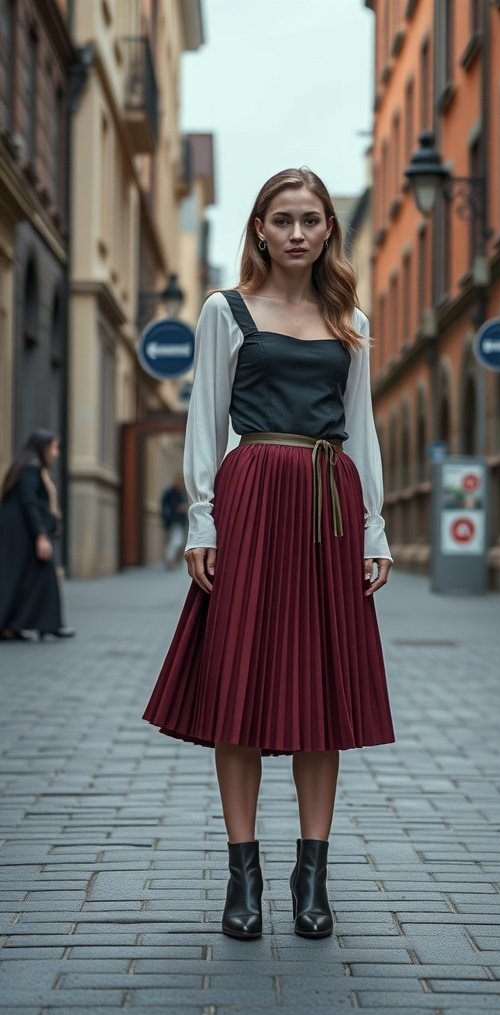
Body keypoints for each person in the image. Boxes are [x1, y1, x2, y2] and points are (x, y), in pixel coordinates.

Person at [142, 167, 395, 941]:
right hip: (251, 494)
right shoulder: (226, 310)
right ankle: (242, 871)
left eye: (310, 220)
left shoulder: (346, 315)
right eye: (281, 219)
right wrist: (203, 519)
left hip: (328, 499)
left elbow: (361, 422)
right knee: (241, 684)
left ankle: (311, 875)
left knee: (321, 696)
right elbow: (206, 417)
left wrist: (374, 525)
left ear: (327, 230)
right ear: (259, 228)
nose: (295, 232)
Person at [0, 429, 75, 641]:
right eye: (54, 447)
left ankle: (14, 627)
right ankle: (46, 625)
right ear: (42, 447)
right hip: (20, 533)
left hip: (18, 532)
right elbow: (29, 502)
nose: (56, 452)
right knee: (40, 572)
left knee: (22, 578)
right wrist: (40, 536)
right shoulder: (30, 468)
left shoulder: (29, 465)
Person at [160, 474, 188, 570]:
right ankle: (169, 559)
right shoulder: (171, 492)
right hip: (174, 520)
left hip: (180, 521)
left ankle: (172, 560)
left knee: (177, 540)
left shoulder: (182, 493)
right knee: (177, 541)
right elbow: (166, 505)